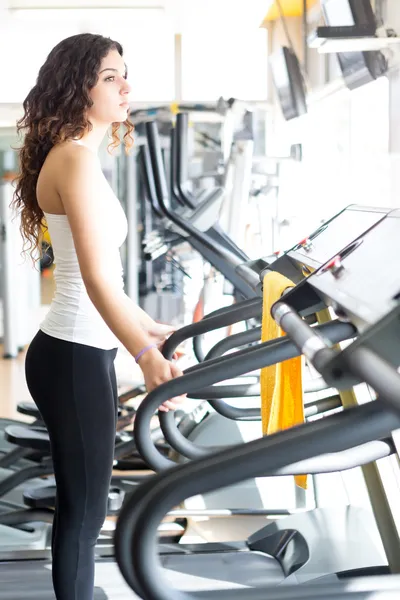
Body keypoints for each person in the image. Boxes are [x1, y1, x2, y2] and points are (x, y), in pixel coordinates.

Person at [11, 32, 185, 600]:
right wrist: (145, 355)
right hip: (72, 354)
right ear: (77, 85)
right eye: (111, 76)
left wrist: (147, 328)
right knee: (83, 516)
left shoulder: (79, 157)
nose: (126, 85)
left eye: (123, 74)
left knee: (84, 509)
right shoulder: (74, 162)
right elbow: (94, 280)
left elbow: (102, 278)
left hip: (79, 350)